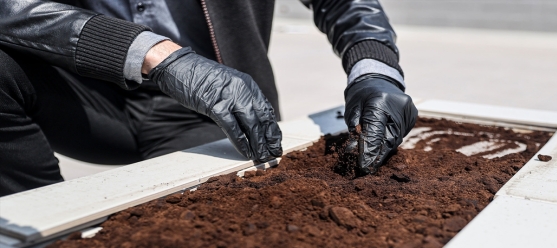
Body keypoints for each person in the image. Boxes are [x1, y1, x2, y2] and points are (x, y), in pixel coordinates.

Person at [0, 0, 417, 196]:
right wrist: (156, 56)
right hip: (92, 95)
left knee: (229, 217)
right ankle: (36, 247)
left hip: (212, 109)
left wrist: (375, 70)